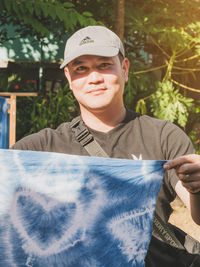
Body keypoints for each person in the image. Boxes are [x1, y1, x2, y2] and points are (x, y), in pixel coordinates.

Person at [12, 25, 200, 266]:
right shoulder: (40, 147)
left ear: (124, 69)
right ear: (69, 79)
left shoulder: (163, 136)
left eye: (104, 65)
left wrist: (197, 188)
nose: (94, 78)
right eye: (81, 68)